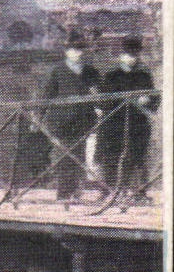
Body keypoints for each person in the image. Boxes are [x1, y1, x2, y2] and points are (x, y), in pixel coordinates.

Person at [38, 29, 99, 199]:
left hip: (83, 121)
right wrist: (38, 118)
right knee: (64, 155)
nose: (76, 53)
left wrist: (96, 98)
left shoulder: (90, 72)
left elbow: (99, 94)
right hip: (61, 121)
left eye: (80, 49)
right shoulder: (56, 71)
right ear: (66, 51)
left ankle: (76, 192)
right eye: (73, 49)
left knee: (79, 155)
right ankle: (64, 194)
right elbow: (45, 95)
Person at [96, 35, 156, 195]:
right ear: (121, 55)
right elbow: (104, 100)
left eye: (135, 55)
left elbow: (153, 97)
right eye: (128, 54)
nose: (132, 58)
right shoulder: (111, 76)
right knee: (111, 156)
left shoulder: (144, 75)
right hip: (115, 122)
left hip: (137, 122)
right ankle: (108, 191)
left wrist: (148, 100)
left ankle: (138, 192)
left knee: (138, 155)